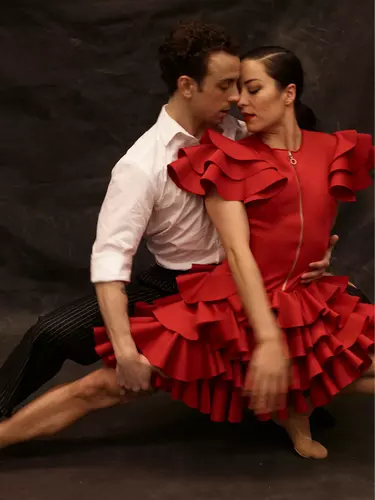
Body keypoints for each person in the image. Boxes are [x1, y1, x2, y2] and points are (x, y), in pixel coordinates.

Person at [0, 43, 372, 458]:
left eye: (245, 88)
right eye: (227, 86)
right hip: (175, 283)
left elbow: (301, 199)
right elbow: (111, 261)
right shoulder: (143, 163)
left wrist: (317, 251)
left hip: (266, 281)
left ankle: (295, 400)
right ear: (188, 86)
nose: (237, 99)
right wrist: (126, 352)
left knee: (352, 317)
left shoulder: (240, 128)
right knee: (53, 334)